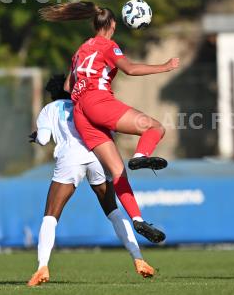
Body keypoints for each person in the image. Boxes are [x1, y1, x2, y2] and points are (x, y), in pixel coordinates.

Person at [39, 1, 179, 243]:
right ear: (113, 24)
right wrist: (165, 67)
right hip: (97, 101)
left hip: (81, 112)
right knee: (155, 127)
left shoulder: (81, 50)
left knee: (117, 172)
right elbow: (130, 69)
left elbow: (66, 87)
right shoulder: (108, 45)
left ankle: (137, 220)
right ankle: (139, 156)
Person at [27, 75, 155, 287]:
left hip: (70, 160)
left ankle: (42, 266)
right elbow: (110, 128)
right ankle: (139, 258)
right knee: (113, 212)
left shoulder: (49, 110)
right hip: (97, 155)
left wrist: (36, 136)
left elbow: (43, 139)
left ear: (53, 93)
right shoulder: (86, 104)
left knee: (50, 216)